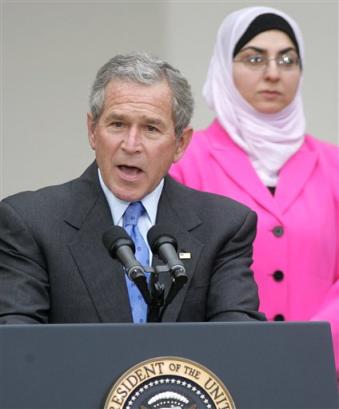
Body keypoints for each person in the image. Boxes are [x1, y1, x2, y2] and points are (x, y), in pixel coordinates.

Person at [0, 52, 265, 324]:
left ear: (180, 144)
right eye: (117, 124)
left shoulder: (223, 226)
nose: (131, 144)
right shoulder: (30, 223)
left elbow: (238, 342)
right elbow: (18, 346)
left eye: (151, 128)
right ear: (92, 130)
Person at [170, 6, 339, 381]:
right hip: (217, 373)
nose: (273, 73)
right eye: (254, 58)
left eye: (287, 59)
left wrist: (315, 343)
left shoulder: (334, 165)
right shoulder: (185, 161)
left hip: (323, 373)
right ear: (223, 67)